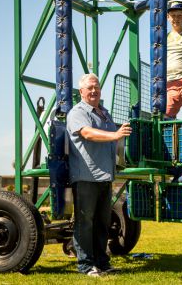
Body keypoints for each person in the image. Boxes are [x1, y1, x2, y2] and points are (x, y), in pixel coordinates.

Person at [66, 73, 132, 277]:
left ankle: (102, 262)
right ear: (81, 92)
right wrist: (115, 135)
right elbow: (87, 133)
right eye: (90, 88)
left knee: (102, 222)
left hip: (104, 176)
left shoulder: (104, 113)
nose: (94, 91)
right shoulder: (77, 112)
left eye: (97, 87)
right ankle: (85, 265)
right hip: (86, 176)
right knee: (85, 222)